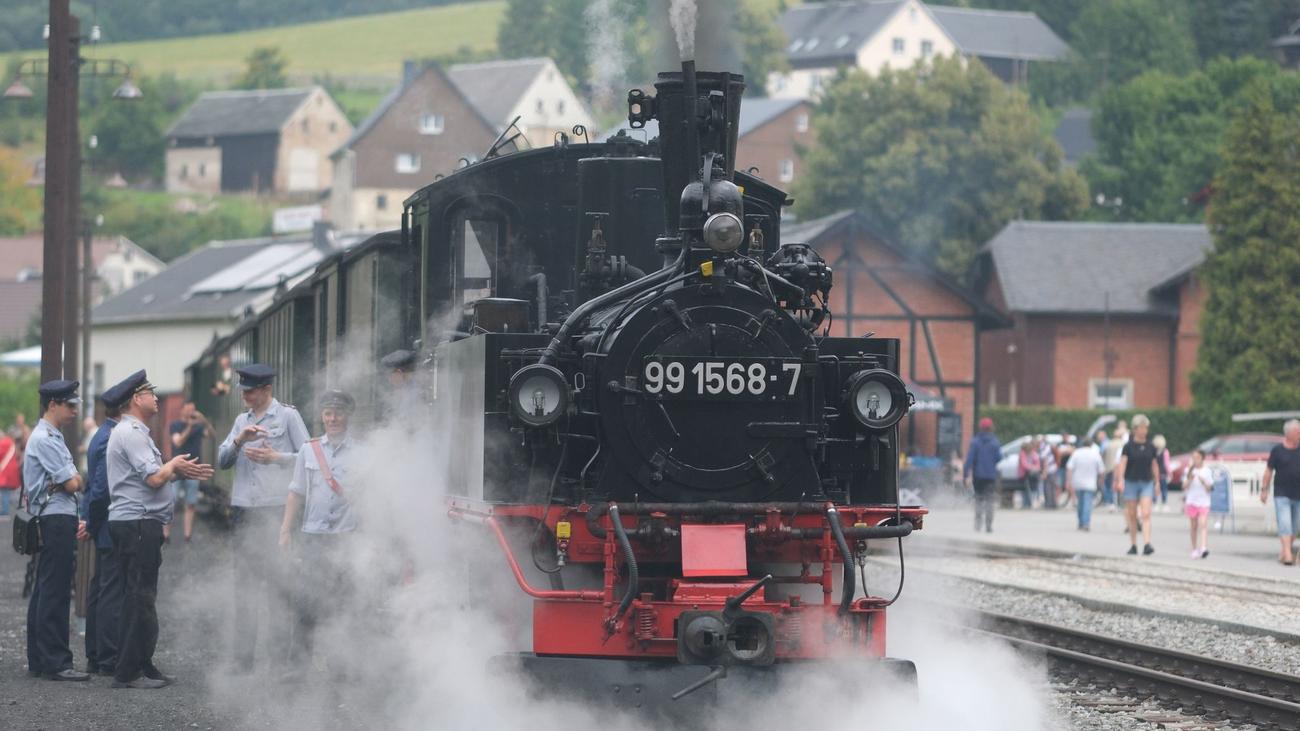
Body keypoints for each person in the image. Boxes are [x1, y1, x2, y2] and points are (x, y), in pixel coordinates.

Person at [107, 370, 214, 689]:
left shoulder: (136, 431)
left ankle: (141, 661)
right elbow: (153, 479)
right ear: (136, 399)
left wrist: (177, 471)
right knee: (138, 597)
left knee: (142, 596)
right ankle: (127, 672)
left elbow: (155, 475)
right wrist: (172, 467)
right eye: (151, 393)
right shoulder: (132, 433)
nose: (156, 398)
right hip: (137, 523)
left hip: (140, 523)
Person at [217, 364, 310, 672]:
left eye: (251, 390)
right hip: (245, 509)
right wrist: (238, 440)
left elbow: (309, 459)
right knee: (243, 585)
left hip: (275, 510)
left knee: (281, 586)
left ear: (267, 390)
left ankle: (281, 659)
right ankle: (243, 659)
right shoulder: (240, 421)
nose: (245, 394)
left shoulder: (288, 417)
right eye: (243, 389)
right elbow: (222, 461)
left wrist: (276, 458)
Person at [279, 390, 359, 675]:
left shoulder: (362, 452)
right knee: (305, 601)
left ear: (348, 415)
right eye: (328, 413)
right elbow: (295, 492)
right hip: (313, 535)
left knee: (343, 602)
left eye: (338, 413)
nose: (333, 418)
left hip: (346, 536)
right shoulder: (308, 450)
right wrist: (285, 530)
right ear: (322, 416)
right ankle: (298, 665)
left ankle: (342, 665)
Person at [23, 380, 89, 681]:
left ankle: (40, 659)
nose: (74, 410)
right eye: (69, 404)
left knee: (45, 587)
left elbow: (72, 480)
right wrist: (72, 479)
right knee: (55, 590)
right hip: (55, 516)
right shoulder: (47, 439)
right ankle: (56, 662)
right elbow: (74, 482)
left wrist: (71, 479)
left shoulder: (51, 436)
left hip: (53, 515)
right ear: (53, 405)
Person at [81, 378, 131, 677]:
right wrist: (94, 521)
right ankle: (108, 657)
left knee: (101, 589)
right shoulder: (111, 437)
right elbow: (101, 488)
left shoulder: (101, 434)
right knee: (110, 591)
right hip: (109, 522)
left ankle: (96, 653)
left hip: (102, 521)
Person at [169, 402, 212, 543]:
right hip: (176, 470)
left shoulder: (199, 427)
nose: (192, 412)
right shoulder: (175, 425)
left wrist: (203, 420)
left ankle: (187, 535)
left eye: (193, 409)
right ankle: (165, 534)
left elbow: (212, 435)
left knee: (191, 503)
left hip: (195, 469)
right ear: (182, 410)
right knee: (171, 501)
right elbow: (178, 442)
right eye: (189, 409)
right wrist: (189, 427)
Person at [1116, 414, 1158, 556]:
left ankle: (1147, 543)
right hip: (1131, 481)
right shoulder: (1128, 447)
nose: (1143, 431)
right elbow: (1123, 463)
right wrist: (1120, 480)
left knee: (1146, 513)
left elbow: (1154, 464)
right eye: (1141, 428)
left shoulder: (1151, 446)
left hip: (1146, 481)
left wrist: (1157, 482)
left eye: (1145, 428)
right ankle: (1133, 544)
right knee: (1132, 515)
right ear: (1135, 429)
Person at [1261, 419, 1300, 565]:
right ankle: (1288, 555)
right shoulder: (1277, 450)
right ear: (1289, 434)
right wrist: (1264, 490)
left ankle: (1284, 551)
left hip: (1298, 494)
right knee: (1285, 524)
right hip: (1282, 493)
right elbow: (1268, 471)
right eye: (1298, 432)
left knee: (1295, 527)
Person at [964, 417, 1001, 533]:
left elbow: (969, 459)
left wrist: (965, 474)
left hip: (978, 476)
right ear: (991, 428)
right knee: (990, 501)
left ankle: (977, 525)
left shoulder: (975, 442)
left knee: (979, 500)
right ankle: (989, 526)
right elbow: (999, 458)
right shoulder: (995, 442)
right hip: (990, 476)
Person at [1065, 435, 1104, 531]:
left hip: (1077, 482)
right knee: (1087, 503)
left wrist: (1069, 481)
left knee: (1080, 503)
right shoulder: (1095, 454)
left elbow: (1069, 468)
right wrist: (1100, 481)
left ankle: (1081, 522)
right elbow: (1101, 470)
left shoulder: (1076, 453)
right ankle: (1085, 523)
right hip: (1090, 482)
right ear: (1091, 444)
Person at [1184, 449, 1212, 559]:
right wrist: (1190, 479)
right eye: (1193, 458)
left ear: (1202, 458)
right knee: (1193, 526)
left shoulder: (1206, 471)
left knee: (1203, 523)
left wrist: (1204, 482)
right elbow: (1184, 486)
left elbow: (1210, 488)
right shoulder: (1188, 471)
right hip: (1191, 501)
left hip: (1204, 502)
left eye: (1197, 458)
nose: (1195, 460)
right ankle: (1194, 548)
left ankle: (1203, 547)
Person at [1101, 421, 1128, 509]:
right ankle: (1120, 503)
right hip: (1118, 467)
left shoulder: (1108, 444)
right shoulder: (1123, 445)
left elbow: (1104, 455)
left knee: (1110, 485)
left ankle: (1110, 502)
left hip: (1109, 467)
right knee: (1120, 485)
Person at [0, 428, 19, 516]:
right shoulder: (10, 442)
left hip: (6, 470)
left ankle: (4, 509)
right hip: (10, 469)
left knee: (4, 490)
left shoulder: (4, 442)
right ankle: (5, 508)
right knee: (6, 490)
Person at [1017, 441, 1039, 510]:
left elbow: (1036, 462)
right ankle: (1025, 503)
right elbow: (1024, 465)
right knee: (1024, 489)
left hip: (1030, 474)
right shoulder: (1022, 454)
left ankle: (1028, 503)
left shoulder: (1032, 453)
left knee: (1029, 489)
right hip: (1023, 474)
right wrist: (1032, 467)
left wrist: (1034, 467)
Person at [1153, 434, 1171, 512]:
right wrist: (1170, 473)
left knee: (1155, 489)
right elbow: (1167, 463)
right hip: (1163, 473)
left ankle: (1155, 504)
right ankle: (1164, 504)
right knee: (1164, 489)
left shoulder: (1153, 451)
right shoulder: (1165, 451)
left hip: (1154, 473)